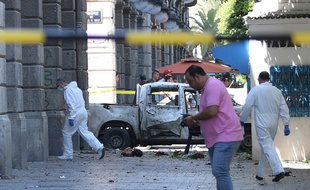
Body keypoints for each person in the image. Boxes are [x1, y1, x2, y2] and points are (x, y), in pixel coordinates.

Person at [182, 65, 243, 190]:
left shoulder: (212, 86)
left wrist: (194, 118)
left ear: (197, 77)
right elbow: (212, 115)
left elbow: (211, 111)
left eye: (190, 81)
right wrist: (196, 121)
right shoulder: (207, 87)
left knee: (220, 171)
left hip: (226, 135)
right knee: (220, 172)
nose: (190, 85)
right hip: (219, 136)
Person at [239, 71, 290, 182]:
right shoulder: (277, 91)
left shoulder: (256, 90)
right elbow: (284, 108)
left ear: (259, 79)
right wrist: (286, 124)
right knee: (267, 147)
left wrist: (242, 120)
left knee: (267, 146)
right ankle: (260, 174)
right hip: (274, 124)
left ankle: (278, 170)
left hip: (262, 123)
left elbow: (247, 106)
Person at [56, 78, 105, 160]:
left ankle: (68, 154)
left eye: (58, 86)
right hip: (83, 111)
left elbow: (71, 104)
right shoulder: (77, 89)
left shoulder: (68, 91)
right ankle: (99, 147)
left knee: (66, 133)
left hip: (75, 113)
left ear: (62, 83)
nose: (58, 88)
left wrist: (71, 117)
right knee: (84, 131)